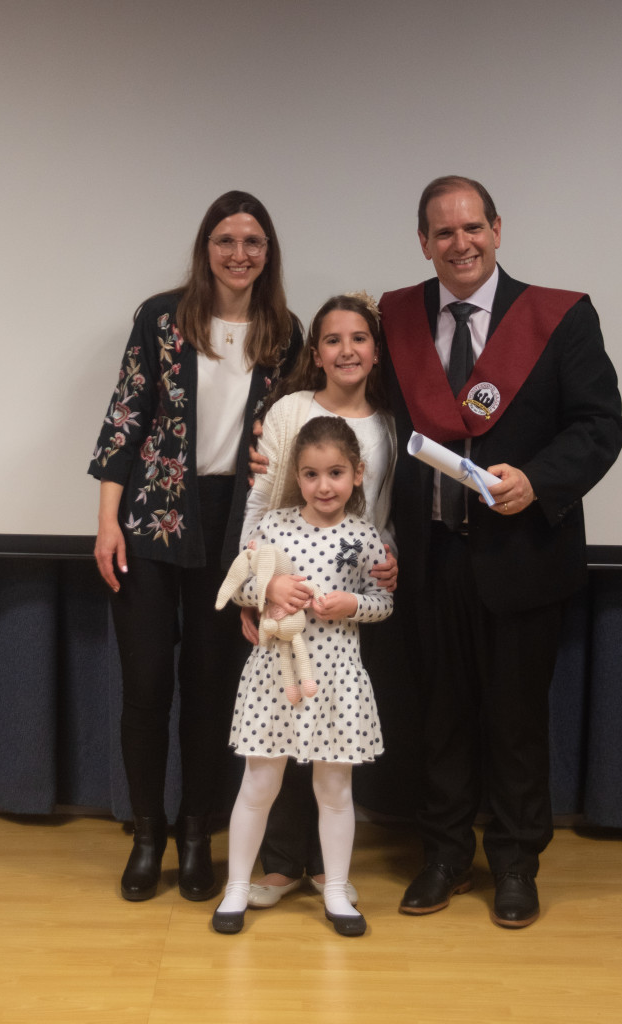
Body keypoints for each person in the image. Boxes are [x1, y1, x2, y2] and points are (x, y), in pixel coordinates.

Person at [379, 175, 622, 927]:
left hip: (522, 553)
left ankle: (516, 862)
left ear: (496, 228)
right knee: (439, 715)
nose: (460, 244)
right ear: (423, 243)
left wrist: (538, 479)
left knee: (516, 720)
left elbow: (600, 424)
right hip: (429, 556)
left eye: (472, 228)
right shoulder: (395, 318)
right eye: (443, 233)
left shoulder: (559, 317)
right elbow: (356, 409)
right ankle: (445, 855)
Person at [88, 191, 303, 902]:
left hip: (233, 527)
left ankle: (193, 835)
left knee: (211, 691)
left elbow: (293, 434)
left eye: (253, 241)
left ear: (268, 253)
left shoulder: (285, 333)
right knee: (147, 685)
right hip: (151, 520)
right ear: (205, 248)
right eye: (225, 240)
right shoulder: (161, 318)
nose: (239, 254)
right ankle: (147, 835)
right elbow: (125, 420)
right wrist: (107, 522)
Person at [240, 293, 398, 910]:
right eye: (333, 339)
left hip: (349, 596)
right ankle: (282, 866)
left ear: (376, 351)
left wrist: (388, 562)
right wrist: (255, 593)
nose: (346, 350)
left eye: (359, 338)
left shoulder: (390, 423)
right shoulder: (290, 410)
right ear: (316, 353)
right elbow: (263, 501)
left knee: (332, 745)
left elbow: (387, 507)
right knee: (278, 738)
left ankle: (332, 875)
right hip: (287, 599)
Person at [211, 416, 394, 936]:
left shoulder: (364, 535)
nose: (324, 486)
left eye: (335, 473)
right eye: (311, 474)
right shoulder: (273, 526)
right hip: (275, 677)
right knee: (259, 784)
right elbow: (239, 585)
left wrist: (353, 604)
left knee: (335, 789)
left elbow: (383, 602)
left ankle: (335, 888)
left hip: (336, 679)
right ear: (297, 475)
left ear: (357, 474)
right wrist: (268, 591)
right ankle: (237, 887)